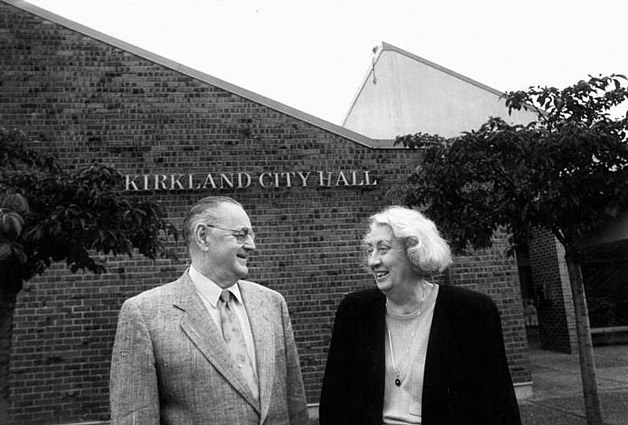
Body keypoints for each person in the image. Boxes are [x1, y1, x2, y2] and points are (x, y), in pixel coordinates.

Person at [110, 196, 309, 425]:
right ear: (203, 237)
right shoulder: (144, 314)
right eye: (241, 235)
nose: (252, 245)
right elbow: (136, 418)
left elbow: (295, 405)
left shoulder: (272, 303)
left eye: (252, 235)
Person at [319, 206, 521, 425]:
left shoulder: (471, 311)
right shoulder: (355, 311)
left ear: (413, 251)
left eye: (383, 249)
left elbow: (498, 404)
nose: (372, 261)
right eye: (370, 250)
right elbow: (334, 403)